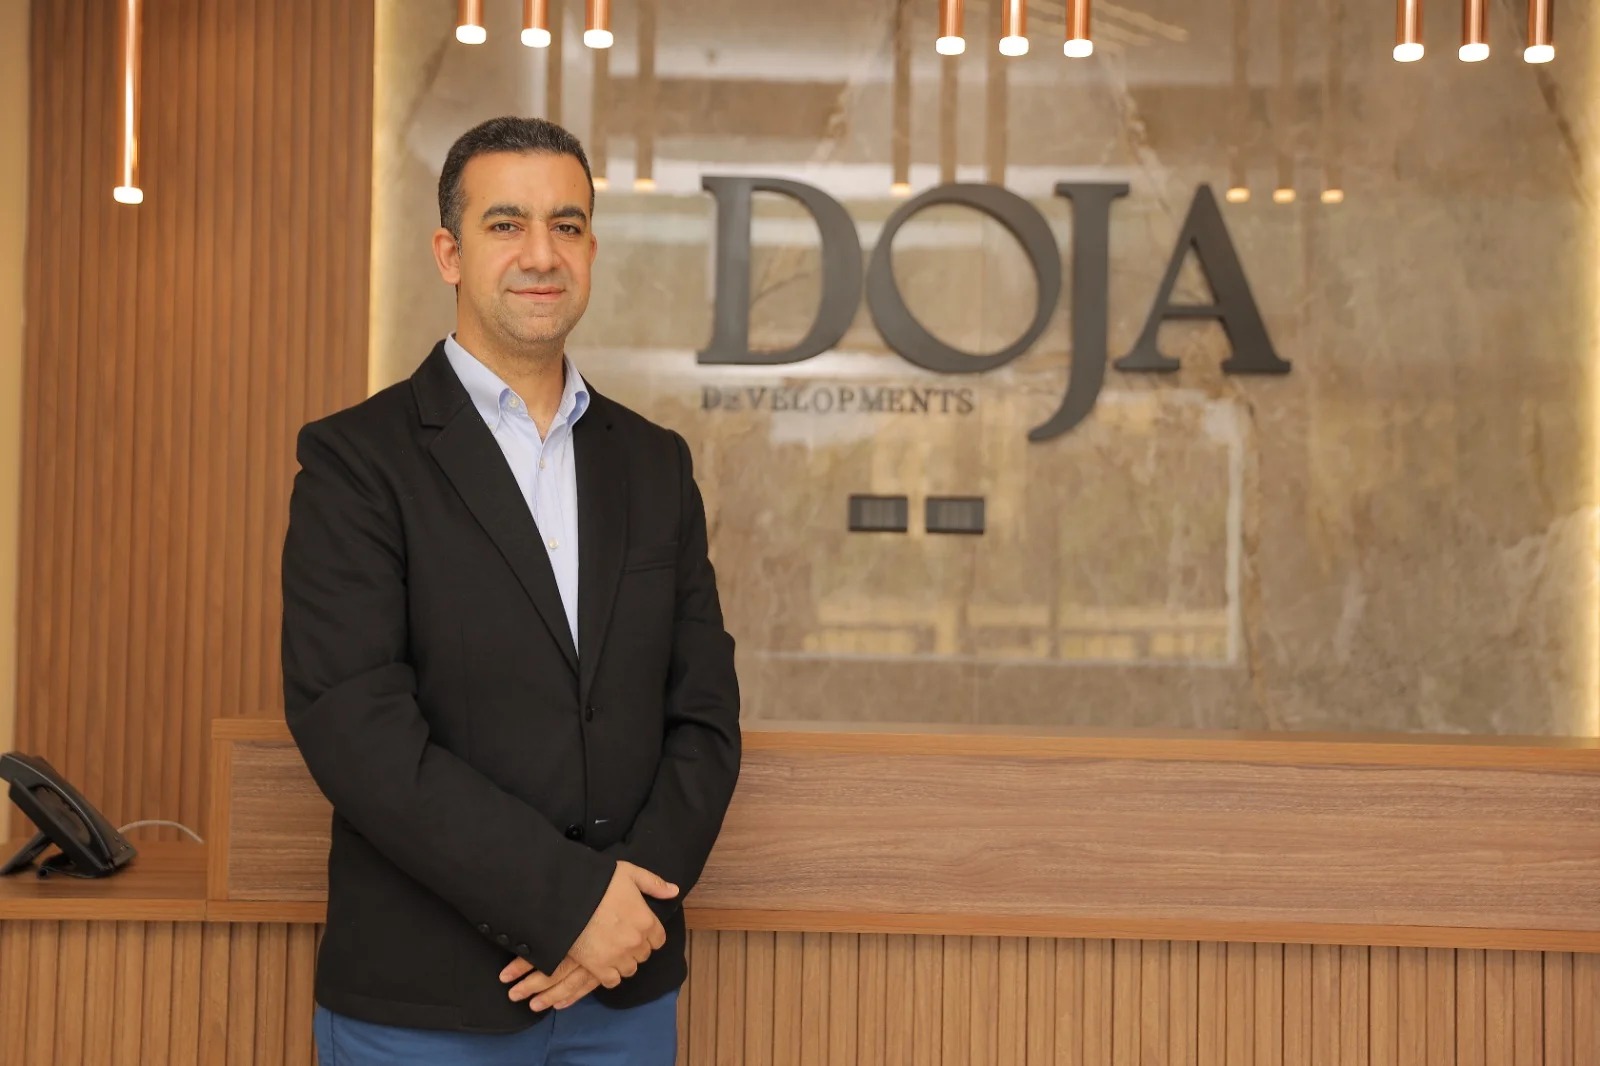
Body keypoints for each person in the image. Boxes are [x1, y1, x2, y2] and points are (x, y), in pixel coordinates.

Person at [281, 115, 741, 1065]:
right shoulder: (356, 462)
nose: (541, 253)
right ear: (449, 253)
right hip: (427, 1006)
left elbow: (703, 717)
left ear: (592, 251)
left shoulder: (655, 464)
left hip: (623, 992)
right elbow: (356, 726)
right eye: (506, 224)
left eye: (567, 225)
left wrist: (624, 910)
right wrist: (569, 906)